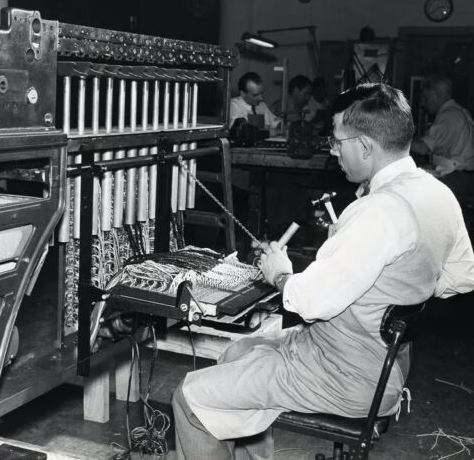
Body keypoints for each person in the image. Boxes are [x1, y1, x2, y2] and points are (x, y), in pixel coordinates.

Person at [172, 82, 474, 460]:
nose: (334, 151)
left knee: (189, 397)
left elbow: (307, 303)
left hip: (345, 375)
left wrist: (281, 274)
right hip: (383, 363)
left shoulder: (378, 212)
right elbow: (463, 276)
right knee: (237, 355)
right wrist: (394, 289)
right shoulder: (436, 193)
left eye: (337, 142)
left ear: (365, 146)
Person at [410, 75, 474, 190]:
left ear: (436, 96)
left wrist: (394, 141)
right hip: (463, 176)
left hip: (458, 179)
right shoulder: (458, 111)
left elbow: (422, 148)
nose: (423, 103)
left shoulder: (449, 116)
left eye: (425, 98)